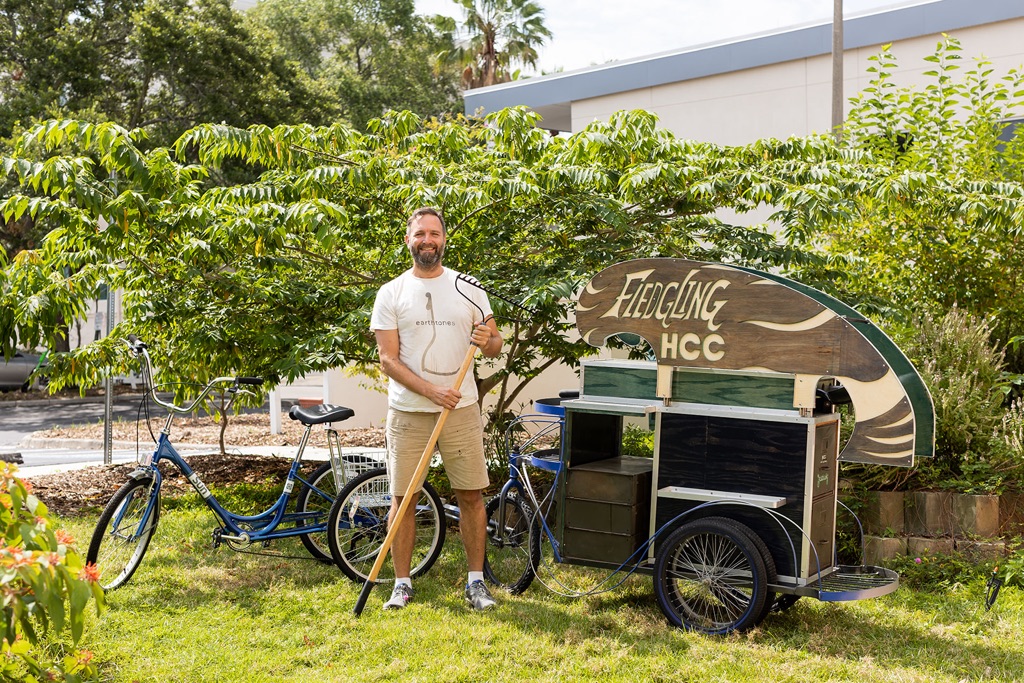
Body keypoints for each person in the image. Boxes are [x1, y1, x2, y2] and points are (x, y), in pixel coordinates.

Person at [370, 206, 503, 611]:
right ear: (408, 240)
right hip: (409, 411)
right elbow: (388, 360)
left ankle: (476, 582)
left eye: (435, 234)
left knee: (471, 495)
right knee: (404, 497)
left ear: (444, 240)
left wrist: (487, 339)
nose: (428, 240)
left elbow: (496, 345)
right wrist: (431, 391)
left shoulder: (469, 288)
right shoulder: (391, 292)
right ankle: (402, 583)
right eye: (420, 234)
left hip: (461, 410)